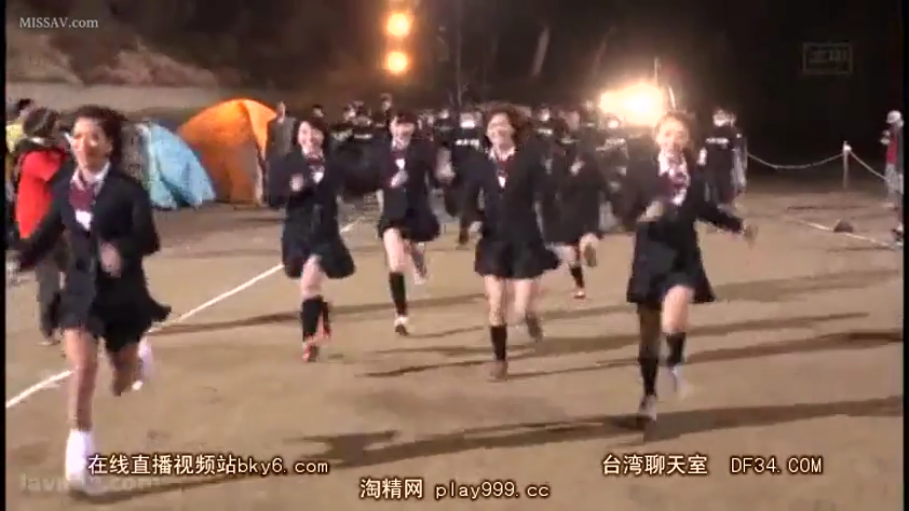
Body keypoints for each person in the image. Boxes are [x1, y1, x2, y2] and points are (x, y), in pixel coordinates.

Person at [8, 105, 162, 494]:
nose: (83, 144)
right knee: (84, 367)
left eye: (94, 137)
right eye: (76, 136)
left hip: (121, 291)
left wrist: (120, 250)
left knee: (121, 378)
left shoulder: (128, 190)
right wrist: (19, 260)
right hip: (80, 289)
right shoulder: (64, 186)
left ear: (109, 145)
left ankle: (136, 361)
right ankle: (80, 456)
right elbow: (46, 232)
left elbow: (149, 239)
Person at [620, 112, 756, 425]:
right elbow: (624, 214)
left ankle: (676, 359)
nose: (673, 140)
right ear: (657, 136)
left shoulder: (695, 171)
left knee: (672, 323)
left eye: (680, 134)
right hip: (649, 257)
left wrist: (738, 225)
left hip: (683, 256)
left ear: (688, 140)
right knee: (648, 338)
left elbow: (704, 209)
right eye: (667, 134)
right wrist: (645, 216)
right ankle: (649, 395)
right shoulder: (640, 169)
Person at [458, 105, 559, 380]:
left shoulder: (529, 160)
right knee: (496, 304)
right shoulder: (480, 163)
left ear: (514, 129)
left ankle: (530, 316)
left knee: (521, 309)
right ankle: (500, 360)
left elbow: (547, 195)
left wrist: (557, 230)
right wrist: (473, 219)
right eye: (492, 126)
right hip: (493, 239)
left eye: (502, 124)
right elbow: (467, 199)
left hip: (525, 238)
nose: (497, 130)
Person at [267, 117, 372, 361]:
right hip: (297, 233)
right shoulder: (285, 163)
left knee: (309, 284)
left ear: (324, 136)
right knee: (308, 285)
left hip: (325, 232)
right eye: (304, 132)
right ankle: (320, 311)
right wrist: (290, 190)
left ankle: (309, 341)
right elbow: (272, 199)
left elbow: (359, 184)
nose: (310, 138)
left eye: (315, 132)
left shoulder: (335, 164)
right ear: (297, 135)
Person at [369, 110, 441, 335]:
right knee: (396, 263)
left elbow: (436, 176)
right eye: (398, 124)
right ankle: (401, 316)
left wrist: (445, 175)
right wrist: (389, 183)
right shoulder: (380, 150)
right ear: (390, 127)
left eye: (408, 124)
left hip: (416, 212)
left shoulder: (424, 148)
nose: (403, 129)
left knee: (411, 246)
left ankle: (417, 257)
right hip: (392, 214)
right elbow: (370, 176)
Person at [11, 107, 70, 345]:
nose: (60, 129)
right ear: (46, 129)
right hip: (38, 230)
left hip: (55, 226)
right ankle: (49, 329)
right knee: (49, 281)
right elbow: (64, 179)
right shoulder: (34, 157)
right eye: (57, 126)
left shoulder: (51, 151)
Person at [544, 109, 607, 299]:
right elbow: (600, 176)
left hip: (567, 207)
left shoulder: (556, 155)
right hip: (587, 202)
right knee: (587, 234)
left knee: (569, 248)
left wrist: (571, 174)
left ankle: (580, 286)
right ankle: (588, 245)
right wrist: (608, 193)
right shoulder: (585, 150)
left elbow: (558, 186)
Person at [698, 108, 743, 209]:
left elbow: (737, 143)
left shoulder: (730, 130)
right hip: (710, 163)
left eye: (721, 114)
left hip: (725, 163)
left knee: (724, 184)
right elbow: (703, 144)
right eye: (717, 114)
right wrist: (701, 156)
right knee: (711, 184)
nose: (719, 116)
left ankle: (726, 204)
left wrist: (726, 143)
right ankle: (713, 204)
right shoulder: (708, 130)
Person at [265, 102, 297, 204]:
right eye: (279, 109)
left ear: (285, 109)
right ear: (276, 110)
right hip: (276, 154)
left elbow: (295, 138)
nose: (281, 110)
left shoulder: (292, 122)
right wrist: (267, 155)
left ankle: (287, 200)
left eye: (282, 108)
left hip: (288, 153)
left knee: (287, 178)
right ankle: (276, 200)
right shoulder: (271, 124)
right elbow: (269, 140)